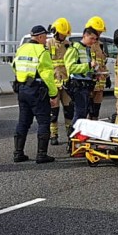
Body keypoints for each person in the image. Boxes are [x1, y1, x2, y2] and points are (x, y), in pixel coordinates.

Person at [12, 25, 57, 164]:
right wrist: (53, 94)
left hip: (22, 89)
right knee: (44, 121)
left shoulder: (21, 49)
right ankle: (41, 155)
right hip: (37, 91)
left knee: (23, 122)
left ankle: (18, 153)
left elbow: (14, 66)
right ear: (40, 37)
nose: (46, 40)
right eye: (45, 37)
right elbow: (48, 75)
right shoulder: (42, 51)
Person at [64, 25, 99, 133]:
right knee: (79, 113)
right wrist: (89, 65)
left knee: (84, 113)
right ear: (85, 36)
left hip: (86, 85)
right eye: (91, 38)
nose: (93, 41)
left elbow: (86, 68)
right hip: (77, 85)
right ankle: (72, 139)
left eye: (95, 39)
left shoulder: (87, 50)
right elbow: (70, 67)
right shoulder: (74, 48)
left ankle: (78, 138)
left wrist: (95, 73)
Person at [46, 17, 73, 146]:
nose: (64, 36)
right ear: (56, 32)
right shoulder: (48, 44)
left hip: (66, 82)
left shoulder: (68, 44)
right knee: (54, 111)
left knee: (69, 110)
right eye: (62, 33)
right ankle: (53, 134)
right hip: (53, 82)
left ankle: (69, 133)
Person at [86, 15, 109, 120]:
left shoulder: (100, 45)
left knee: (96, 110)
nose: (99, 34)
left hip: (99, 83)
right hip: (90, 82)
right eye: (98, 31)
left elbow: (102, 63)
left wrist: (107, 76)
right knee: (87, 109)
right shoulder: (87, 45)